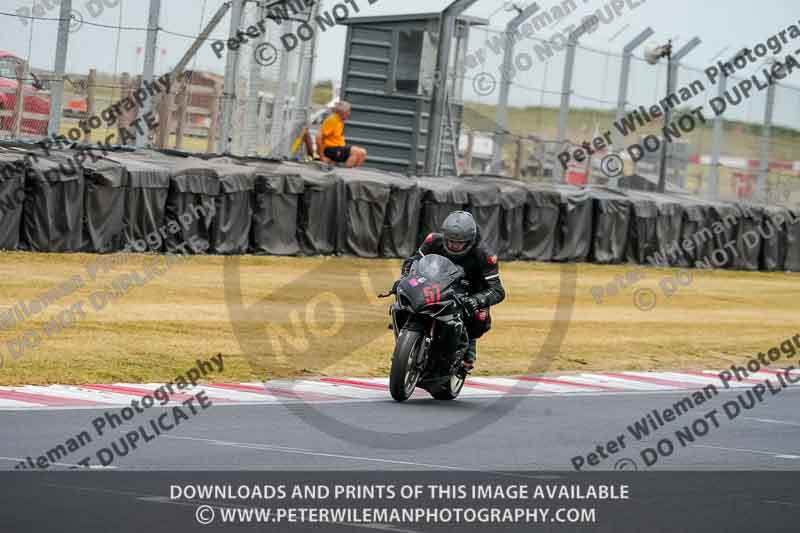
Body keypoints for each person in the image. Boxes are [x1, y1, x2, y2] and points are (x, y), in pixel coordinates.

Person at [400, 211, 505, 371]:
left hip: (470, 291)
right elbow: (412, 261)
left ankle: (469, 346)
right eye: (450, 241)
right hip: (436, 284)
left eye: (459, 243)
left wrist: (477, 300)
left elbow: (497, 290)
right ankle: (406, 333)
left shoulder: (484, 254)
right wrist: (405, 277)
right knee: (402, 294)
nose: (454, 245)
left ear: (469, 240)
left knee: (479, 317)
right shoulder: (433, 241)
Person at [316, 101, 367, 168]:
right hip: (330, 149)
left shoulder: (340, 120)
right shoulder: (332, 120)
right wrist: (322, 156)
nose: (349, 113)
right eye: (348, 111)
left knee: (362, 152)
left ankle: (353, 172)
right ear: (342, 112)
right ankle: (346, 172)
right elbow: (318, 136)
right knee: (356, 152)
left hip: (338, 148)